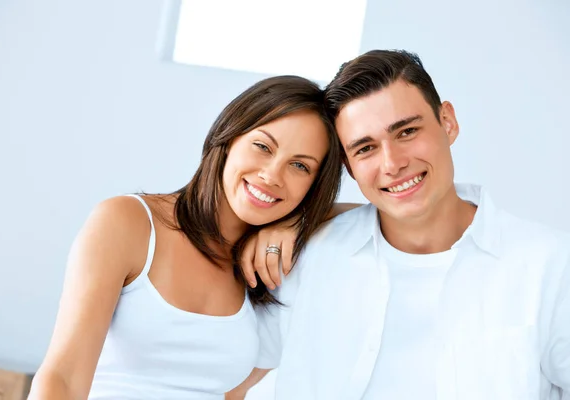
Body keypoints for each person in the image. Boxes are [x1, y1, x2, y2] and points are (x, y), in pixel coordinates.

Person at [233, 50, 570, 399]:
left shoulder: (551, 266)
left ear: (448, 122)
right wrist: (299, 223)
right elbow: (229, 382)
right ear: (348, 166)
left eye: (407, 131)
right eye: (365, 149)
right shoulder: (303, 257)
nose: (392, 164)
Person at [28, 75, 345, 400]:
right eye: (263, 147)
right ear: (230, 136)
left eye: (299, 166)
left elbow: (376, 214)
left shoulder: (266, 266)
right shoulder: (129, 222)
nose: (272, 175)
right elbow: (62, 380)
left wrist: (299, 221)